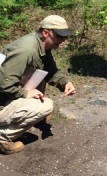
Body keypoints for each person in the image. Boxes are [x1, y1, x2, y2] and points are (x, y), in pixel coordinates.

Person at [0, 15, 76, 155]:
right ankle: (2, 137)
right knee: (46, 105)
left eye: (65, 36)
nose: (63, 40)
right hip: (2, 97)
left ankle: (26, 117)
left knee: (38, 75)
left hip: (5, 94)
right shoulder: (26, 50)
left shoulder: (41, 46)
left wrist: (65, 83)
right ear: (45, 32)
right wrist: (26, 94)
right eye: (59, 36)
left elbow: (50, 71)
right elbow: (4, 84)